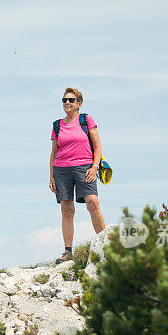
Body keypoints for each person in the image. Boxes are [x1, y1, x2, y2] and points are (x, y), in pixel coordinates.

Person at [49, 87, 106, 263]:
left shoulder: (86, 120)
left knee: (93, 202)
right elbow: (53, 153)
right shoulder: (57, 125)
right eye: (64, 100)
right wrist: (51, 177)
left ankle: (106, 245)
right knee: (67, 209)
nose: (67, 102)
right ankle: (68, 252)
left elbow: (97, 147)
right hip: (62, 169)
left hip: (85, 167)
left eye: (71, 100)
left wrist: (95, 167)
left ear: (78, 103)